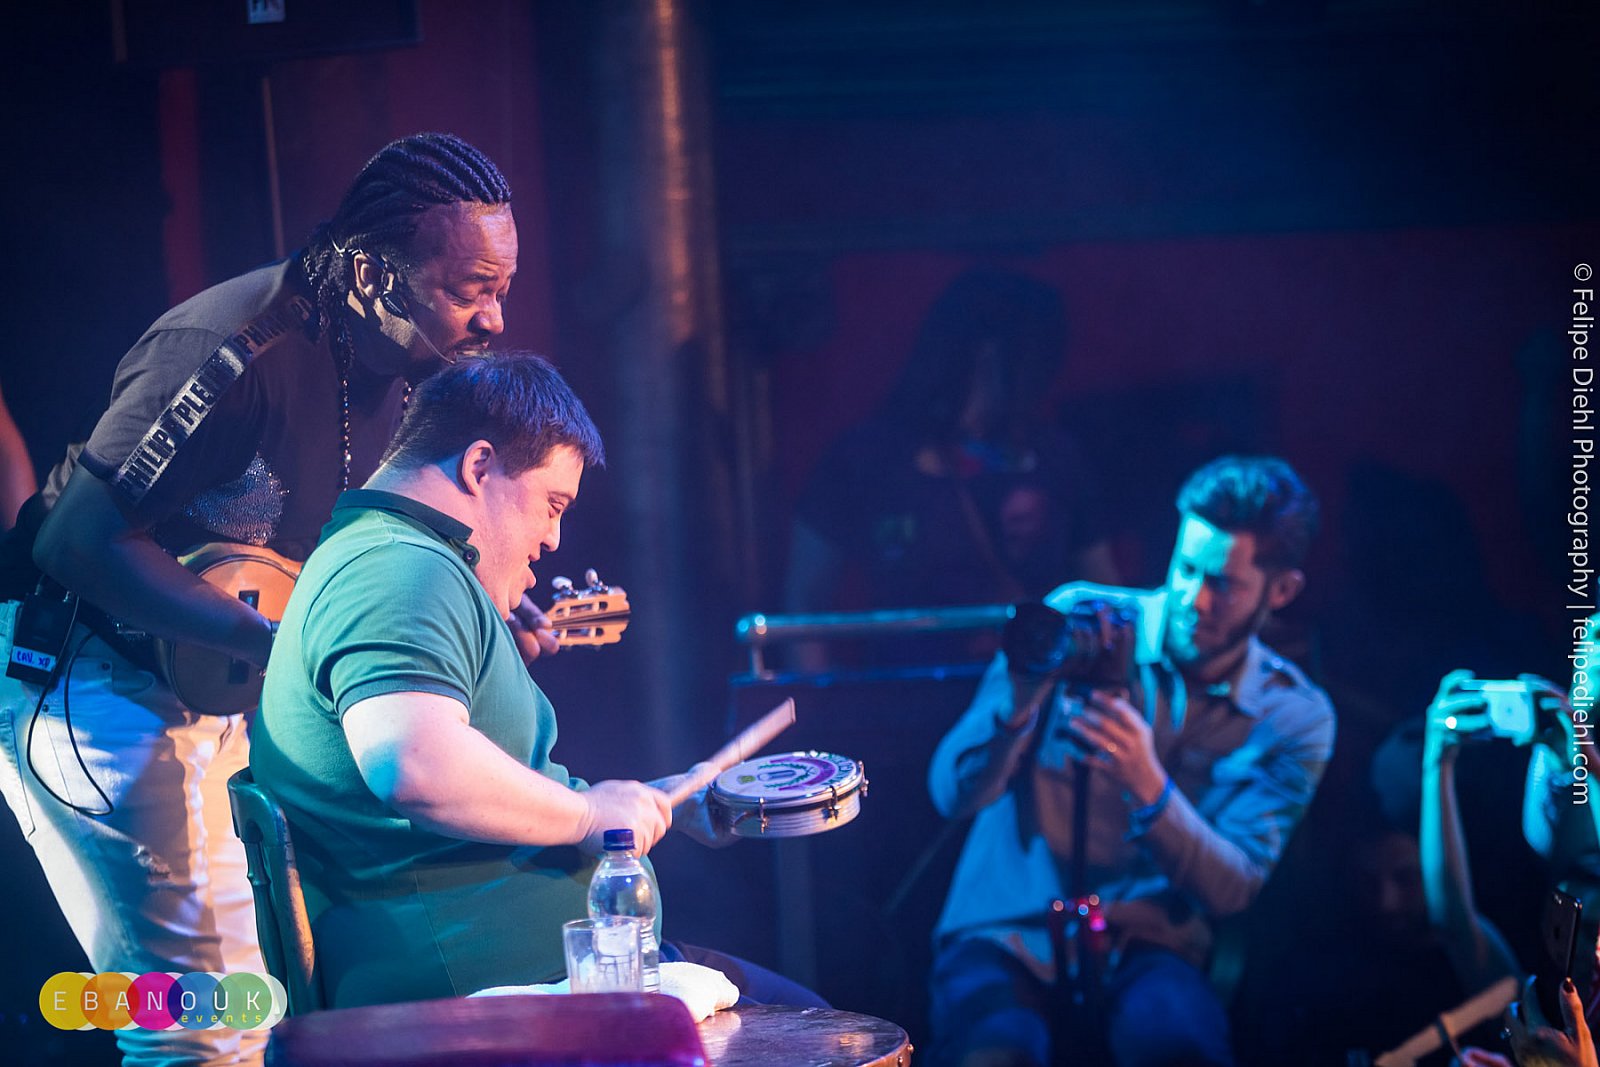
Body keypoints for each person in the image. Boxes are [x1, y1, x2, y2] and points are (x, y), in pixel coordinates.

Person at [0, 132, 517, 1066]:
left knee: (262, 1008)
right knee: (199, 1031)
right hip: (86, 679)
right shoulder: (232, 351)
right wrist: (282, 642)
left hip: (210, 678)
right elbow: (71, 541)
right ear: (373, 274)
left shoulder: (405, 364)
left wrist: (464, 612)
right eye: (470, 289)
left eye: (502, 289)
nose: (494, 318)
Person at [250, 354, 816, 1010]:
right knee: (825, 1033)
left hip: (533, 977)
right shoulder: (398, 567)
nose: (553, 538)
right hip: (482, 1004)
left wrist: (636, 806)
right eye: (552, 504)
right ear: (479, 466)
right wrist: (588, 814)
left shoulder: (396, 558)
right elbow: (414, 763)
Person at [926, 455, 1335, 1067]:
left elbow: (1233, 888)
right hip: (1006, 929)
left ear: (1280, 591)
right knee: (998, 1054)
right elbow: (951, 795)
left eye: (1223, 584)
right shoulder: (1078, 619)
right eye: (1186, 568)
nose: (1192, 599)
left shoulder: (1295, 716)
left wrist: (1148, 785)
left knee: (1177, 1050)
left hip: (1149, 943)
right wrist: (1017, 706)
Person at [784, 269, 1116, 670]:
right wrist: (822, 703)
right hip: (907, 694)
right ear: (987, 354)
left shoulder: (1057, 458)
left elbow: (1104, 598)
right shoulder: (866, 459)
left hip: (1030, 693)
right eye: (1035, 358)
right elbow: (805, 604)